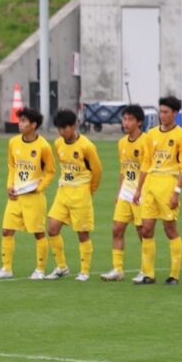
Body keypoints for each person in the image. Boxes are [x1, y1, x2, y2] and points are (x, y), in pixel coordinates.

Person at [0, 107, 56, 280]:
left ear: (34, 125)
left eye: (24, 121)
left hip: (34, 198)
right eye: (20, 120)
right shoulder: (13, 142)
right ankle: (6, 268)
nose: (20, 124)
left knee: (38, 233)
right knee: (6, 231)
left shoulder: (43, 146)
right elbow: (12, 166)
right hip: (16, 196)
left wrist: (39, 188)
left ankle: (40, 270)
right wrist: (9, 185)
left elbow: (51, 171)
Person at [133, 96, 182, 285]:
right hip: (151, 184)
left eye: (166, 112)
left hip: (168, 184)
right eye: (161, 111)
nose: (162, 115)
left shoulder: (181, 136)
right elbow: (146, 163)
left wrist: (177, 192)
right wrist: (139, 189)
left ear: (175, 113)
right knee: (146, 229)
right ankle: (148, 274)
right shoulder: (151, 134)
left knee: (170, 229)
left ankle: (174, 275)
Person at [44, 110, 102, 282]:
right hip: (63, 191)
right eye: (59, 129)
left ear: (74, 126)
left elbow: (97, 171)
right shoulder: (58, 144)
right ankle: (62, 267)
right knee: (52, 229)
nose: (62, 132)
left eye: (65, 128)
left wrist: (90, 191)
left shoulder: (87, 146)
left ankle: (84, 271)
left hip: (81, 193)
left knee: (82, 233)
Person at [101, 105, 148, 282]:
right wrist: (120, 191)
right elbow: (124, 169)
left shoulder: (146, 141)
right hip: (126, 192)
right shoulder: (121, 143)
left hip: (141, 193)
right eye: (124, 119)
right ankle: (117, 269)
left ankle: (146, 269)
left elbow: (146, 169)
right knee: (117, 229)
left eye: (130, 119)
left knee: (143, 232)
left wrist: (139, 190)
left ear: (139, 122)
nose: (126, 123)